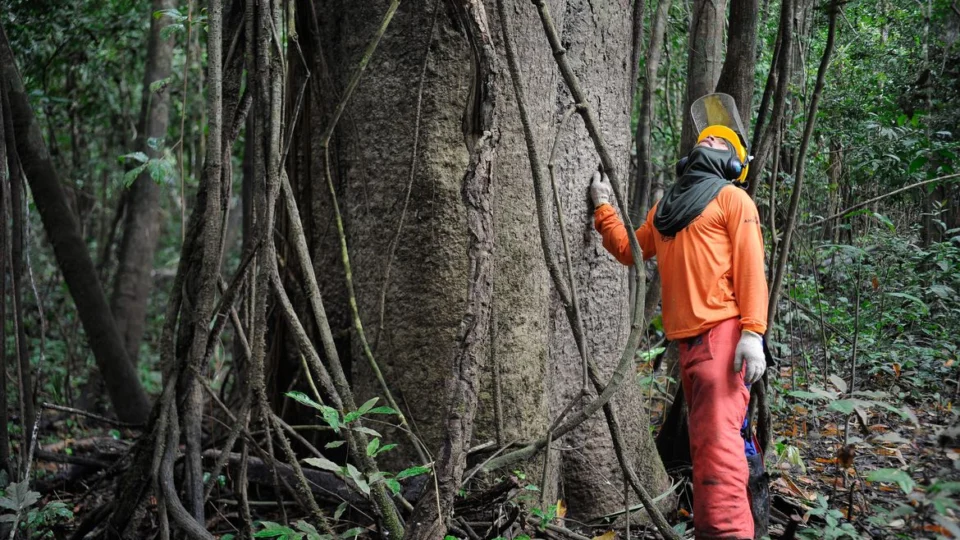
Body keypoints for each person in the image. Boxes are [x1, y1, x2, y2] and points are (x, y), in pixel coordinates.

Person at [589, 94, 768, 540]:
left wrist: (753, 334)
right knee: (710, 447)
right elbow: (631, 249)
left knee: (719, 450)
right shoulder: (668, 210)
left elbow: (751, 271)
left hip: (723, 341)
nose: (709, 147)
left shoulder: (733, 200)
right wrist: (601, 206)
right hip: (691, 348)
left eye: (716, 143)